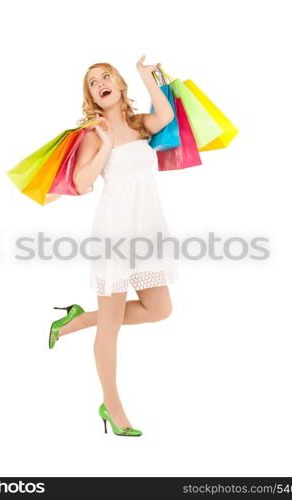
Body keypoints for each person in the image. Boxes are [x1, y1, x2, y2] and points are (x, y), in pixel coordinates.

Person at [49, 56, 179, 437]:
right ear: (90, 95)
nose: (100, 83)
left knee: (160, 309)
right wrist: (105, 144)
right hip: (116, 233)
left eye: (106, 77)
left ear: (120, 86)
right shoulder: (93, 133)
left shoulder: (140, 125)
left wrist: (146, 76)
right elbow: (82, 184)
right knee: (110, 329)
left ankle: (77, 320)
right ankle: (112, 405)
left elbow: (166, 117)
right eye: (92, 81)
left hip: (147, 230)